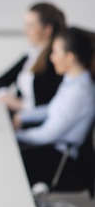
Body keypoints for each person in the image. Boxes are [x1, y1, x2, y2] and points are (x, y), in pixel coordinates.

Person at [13, 27, 95, 186]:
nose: (51, 58)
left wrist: (16, 135)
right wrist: (22, 116)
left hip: (59, 158)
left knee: (10, 159)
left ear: (70, 57)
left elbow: (48, 134)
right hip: (52, 148)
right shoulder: (72, 81)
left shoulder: (79, 92)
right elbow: (51, 109)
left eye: (55, 52)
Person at [0, 3, 66, 114]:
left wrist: (21, 105)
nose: (25, 31)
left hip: (31, 122)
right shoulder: (32, 53)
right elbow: (0, 81)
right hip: (20, 117)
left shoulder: (54, 60)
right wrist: (6, 98)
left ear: (47, 30)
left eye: (30, 26)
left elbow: (51, 105)